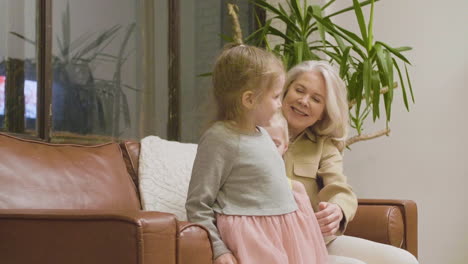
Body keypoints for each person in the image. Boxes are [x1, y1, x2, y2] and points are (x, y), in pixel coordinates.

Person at [186, 44, 328, 264]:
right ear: (249, 100)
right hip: (254, 240)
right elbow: (198, 203)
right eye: (275, 97)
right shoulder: (219, 138)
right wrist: (218, 249)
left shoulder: (263, 135)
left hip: (284, 237)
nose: (280, 104)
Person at [281, 60, 419, 264]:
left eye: (316, 99)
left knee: (404, 260)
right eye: (299, 90)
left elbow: (340, 189)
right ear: (284, 91)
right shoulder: (256, 133)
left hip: (317, 238)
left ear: (323, 114)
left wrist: (337, 210)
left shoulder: (323, 145)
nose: (304, 101)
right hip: (279, 241)